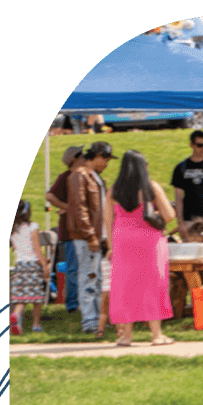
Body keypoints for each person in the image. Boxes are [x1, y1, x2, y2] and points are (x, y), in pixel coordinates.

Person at [103, 149, 177, 346]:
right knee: (153, 285)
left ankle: (126, 336)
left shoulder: (114, 190)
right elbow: (169, 215)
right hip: (149, 241)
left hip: (123, 241)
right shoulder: (151, 188)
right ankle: (156, 335)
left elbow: (108, 220)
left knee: (126, 286)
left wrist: (111, 246)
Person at [66, 141, 116, 335]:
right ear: (97, 157)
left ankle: (99, 317)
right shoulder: (79, 175)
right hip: (87, 237)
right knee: (89, 277)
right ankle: (89, 320)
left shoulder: (95, 177)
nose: (107, 164)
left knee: (99, 279)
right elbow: (79, 208)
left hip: (98, 237)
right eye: (106, 160)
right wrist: (90, 236)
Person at [46, 145, 86, 311]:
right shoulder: (67, 177)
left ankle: (80, 302)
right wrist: (68, 207)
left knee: (79, 269)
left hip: (80, 230)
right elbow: (49, 196)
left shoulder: (81, 176)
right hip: (70, 231)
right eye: (82, 155)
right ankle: (72, 304)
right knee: (74, 269)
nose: (85, 157)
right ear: (75, 158)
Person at [9, 200, 51, 335]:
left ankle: (16, 315)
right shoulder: (33, 226)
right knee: (36, 298)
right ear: (27, 212)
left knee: (21, 298)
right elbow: (37, 248)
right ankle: (36, 324)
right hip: (33, 265)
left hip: (20, 265)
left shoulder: (14, 229)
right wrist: (44, 264)